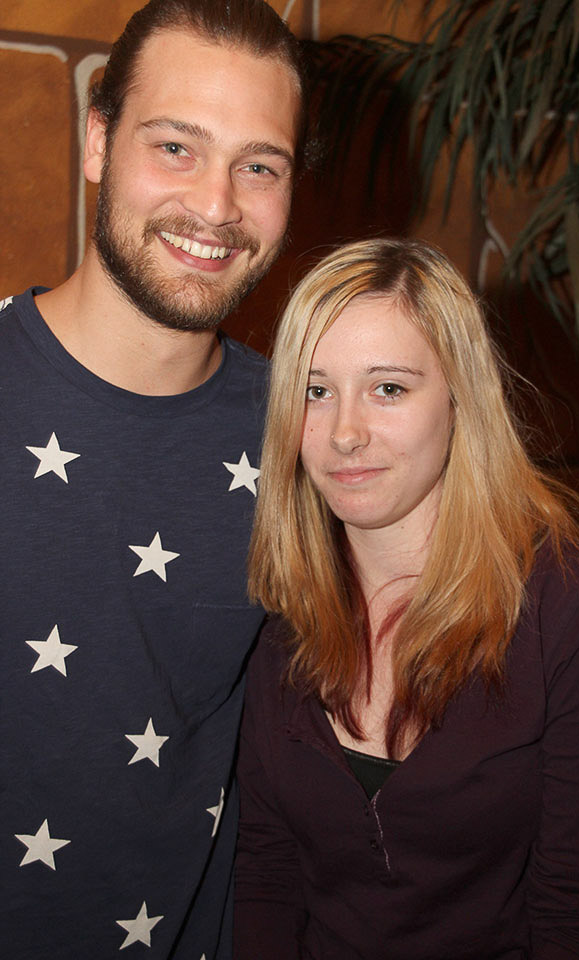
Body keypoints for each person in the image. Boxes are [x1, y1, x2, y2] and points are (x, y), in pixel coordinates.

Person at [233, 237, 579, 959]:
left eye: (388, 388)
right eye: (316, 391)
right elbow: (267, 872)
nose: (345, 433)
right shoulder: (283, 600)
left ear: (460, 398)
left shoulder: (578, 603)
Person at [0, 1, 304, 957]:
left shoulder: (312, 439)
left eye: (259, 166)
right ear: (98, 140)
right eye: (176, 147)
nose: (216, 206)